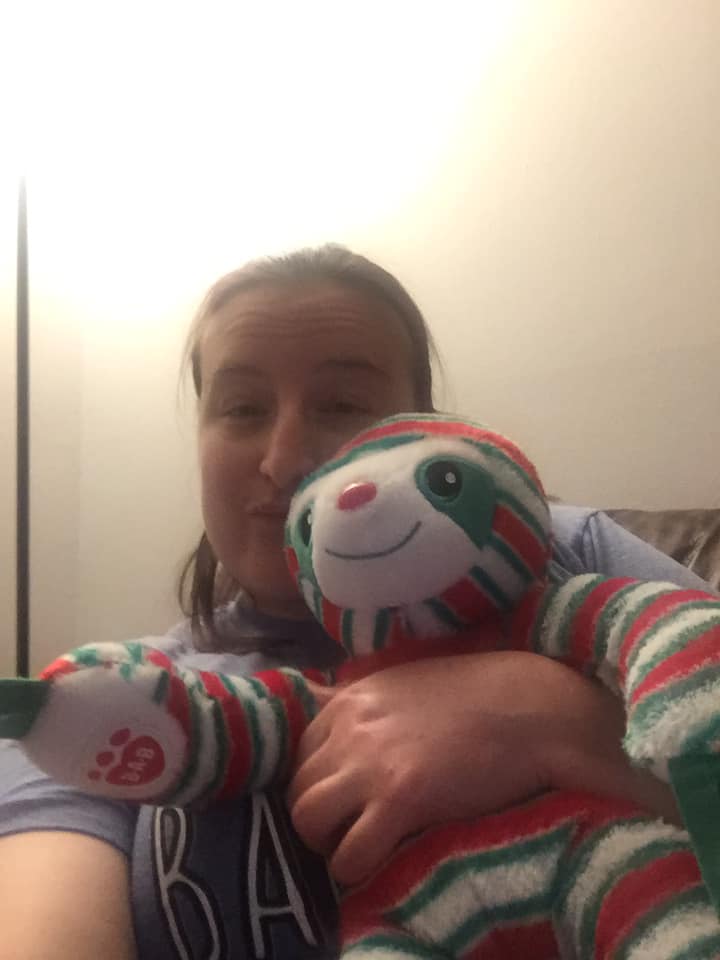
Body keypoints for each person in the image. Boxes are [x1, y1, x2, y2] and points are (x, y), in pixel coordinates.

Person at [0, 244, 712, 960]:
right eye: (242, 409)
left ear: (421, 425)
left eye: (342, 405)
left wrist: (552, 725)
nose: (283, 460)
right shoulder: (122, 708)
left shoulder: (567, 552)